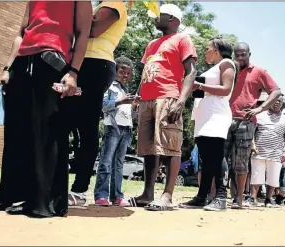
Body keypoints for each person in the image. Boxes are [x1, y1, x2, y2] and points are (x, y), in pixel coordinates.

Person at [0, 1, 93, 217]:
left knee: (47, 131)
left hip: (52, 59)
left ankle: (44, 201)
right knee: (16, 131)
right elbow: (22, 31)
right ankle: (9, 194)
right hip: (22, 61)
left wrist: (74, 72)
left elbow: (83, 31)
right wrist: (7, 68)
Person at [128, 3, 197, 211]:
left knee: (170, 147)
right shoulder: (151, 44)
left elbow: (191, 72)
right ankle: (147, 194)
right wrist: (138, 98)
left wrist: (181, 100)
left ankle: (167, 196)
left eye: (160, 15)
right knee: (149, 150)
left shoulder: (182, 39)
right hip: (147, 100)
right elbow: (146, 71)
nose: (155, 18)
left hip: (168, 98)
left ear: (173, 19)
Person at [66, 0, 128, 206]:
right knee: (66, 122)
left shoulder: (114, 4)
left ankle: (80, 190)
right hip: (82, 61)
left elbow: (93, 29)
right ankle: (57, 182)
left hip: (95, 64)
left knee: (87, 126)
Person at [179, 37, 237, 211]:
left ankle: (220, 197)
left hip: (216, 116)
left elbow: (226, 89)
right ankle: (201, 196)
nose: (205, 52)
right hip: (204, 117)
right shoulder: (212, 68)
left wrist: (200, 86)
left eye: (207, 48)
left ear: (217, 50)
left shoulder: (227, 63)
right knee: (206, 158)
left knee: (215, 156)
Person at [227, 42, 282, 209]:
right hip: (224, 119)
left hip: (246, 121)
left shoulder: (258, 72)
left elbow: (276, 91)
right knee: (223, 160)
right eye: (237, 54)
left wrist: (260, 108)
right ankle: (219, 195)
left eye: (243, 54)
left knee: (241, 161)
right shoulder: (229, 70)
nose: (240, 57)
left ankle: (239, 198)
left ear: (250, 54)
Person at [92, 56, 138, 207]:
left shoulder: (125, 90)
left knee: (118, 164)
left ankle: (117, 196)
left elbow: (130, 114)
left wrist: (134, 107)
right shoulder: (110, 87)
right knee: (106, 162)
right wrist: (122, 101)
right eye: (122, 72)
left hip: (126, 129)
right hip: (113, 128)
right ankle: (101, 195)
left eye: (128, 73)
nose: (125, 75)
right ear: (114, 71)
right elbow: (104, 106)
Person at [249, 95, 285, 207]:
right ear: (269, 102)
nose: (277, 102)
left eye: (279, 101)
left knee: (273, 178)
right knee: (256, 176)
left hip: (276, 153)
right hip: (259, 152)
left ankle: (268, 199)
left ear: (282, 104)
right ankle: (252, 198)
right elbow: (252, 131)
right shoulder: (259, 115)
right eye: (274, 100)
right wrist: (252, 144)